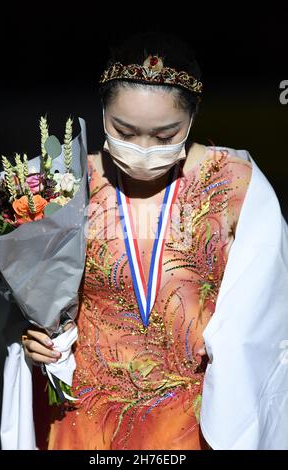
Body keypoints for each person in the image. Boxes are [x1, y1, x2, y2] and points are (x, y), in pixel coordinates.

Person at [21, 31, 283, 450]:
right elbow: (37, 299)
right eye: (124, 129)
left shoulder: (237, 187)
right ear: (102, 111)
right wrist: (36, 336)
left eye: (164, 136)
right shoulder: (64, 186)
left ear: (193, 118)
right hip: (84, 423)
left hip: (198, 425)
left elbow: (265, 328)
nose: (143, 149)